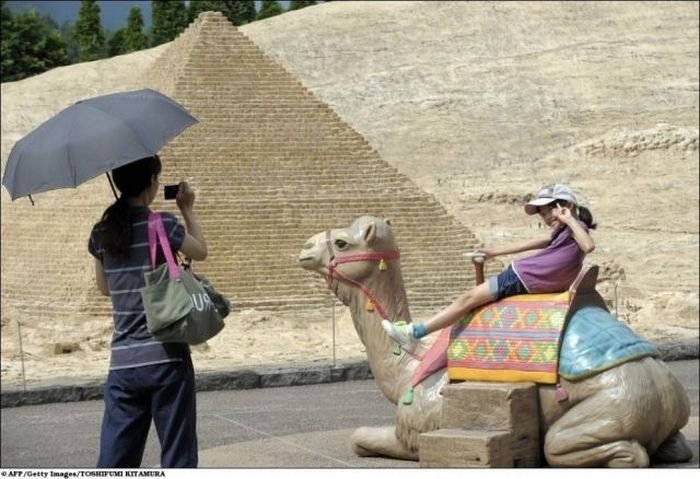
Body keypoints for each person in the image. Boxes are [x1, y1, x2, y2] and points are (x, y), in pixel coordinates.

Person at [88, 155, 207, 468]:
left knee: (116, 461)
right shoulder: (161, 225)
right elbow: (201, 251)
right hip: (166, 359)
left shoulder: (100, 233)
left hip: (123, 365)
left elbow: (105, 288)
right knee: (178, 457)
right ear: (152, 182)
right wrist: (187, 208)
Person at [382, 183, 596, 353]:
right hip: (522, 275)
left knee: (467, 299)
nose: (548, 217)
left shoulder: (576, 229)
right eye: (543, 214)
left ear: (567, 206)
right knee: (471, 299)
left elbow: (589, 246)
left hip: (522, 277)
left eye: (551, 210)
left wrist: (569, 219)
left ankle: (414, 333)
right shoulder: (563, 233)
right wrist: (493, 253)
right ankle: (417, 332)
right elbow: (536, 243)